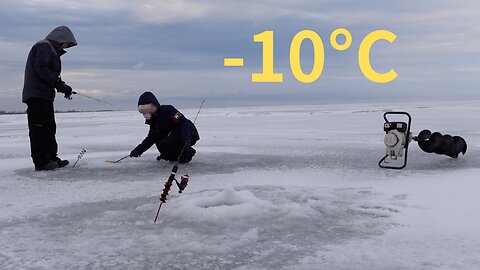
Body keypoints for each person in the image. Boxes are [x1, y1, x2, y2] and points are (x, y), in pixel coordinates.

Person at [22, 26, 77, 171]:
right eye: (67, 43)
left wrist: (60, 86)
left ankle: (52, 158)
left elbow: (48, 73)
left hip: (45, 96)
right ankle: (41, 162)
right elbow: (41, 68)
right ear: (61, 38)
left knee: (49, 128)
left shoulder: (51, 50)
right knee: (39, 129)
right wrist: (58, 84)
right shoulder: (43, 46)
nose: (66, 47)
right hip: (36, 95)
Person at [130, 91, 199, 163]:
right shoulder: (153, 121)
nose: (145, 113)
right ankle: (171, 156)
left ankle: (188, 153)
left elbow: (184, 123)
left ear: (154, 106)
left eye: (146, 109)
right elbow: (151, 138)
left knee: (166, 142)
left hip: (188, 134)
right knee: (158, 139)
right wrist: (138, 150)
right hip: (174, 137)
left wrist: (186, 140)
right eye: (142, 111)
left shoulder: (168, 110)